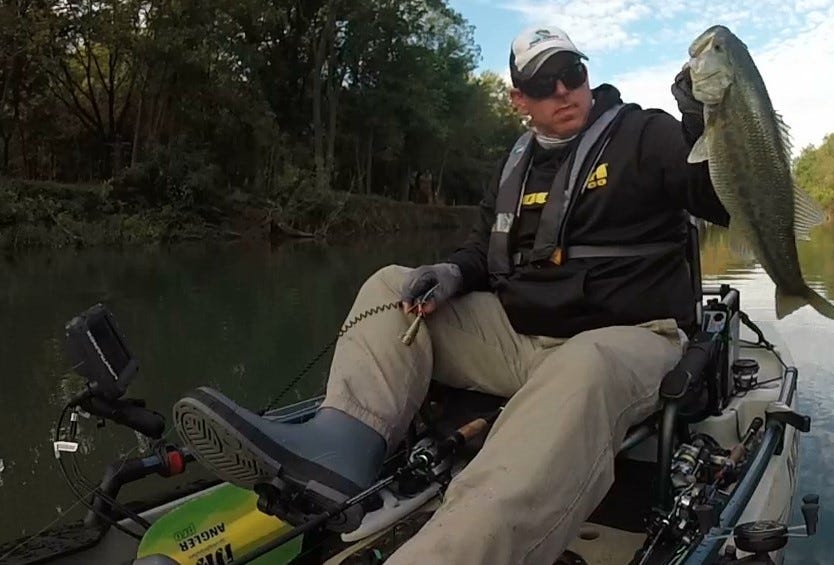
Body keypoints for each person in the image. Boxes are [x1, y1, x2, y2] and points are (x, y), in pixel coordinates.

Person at [172, 24, 729, 565]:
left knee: (583, 367)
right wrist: (453, 273)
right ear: (520, 100)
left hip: (630, 339)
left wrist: (707, 121)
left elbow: (718, 198)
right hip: (522, 338)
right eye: (543, 82)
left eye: (572, 72)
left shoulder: (646, 134)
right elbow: (481, 251)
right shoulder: (514, 164)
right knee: (392, 284)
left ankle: (457, 546)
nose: (563, 90)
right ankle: (337, 451)